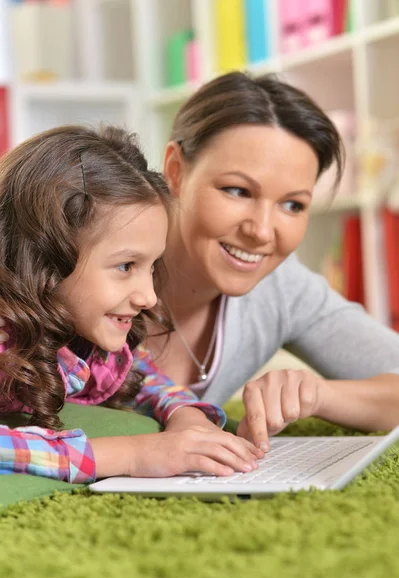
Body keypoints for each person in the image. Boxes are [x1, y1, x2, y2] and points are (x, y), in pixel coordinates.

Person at [138, 71, 399, 450]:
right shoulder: (91, 255)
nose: (261, 231)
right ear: (176, 170)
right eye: (238, 190)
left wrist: (316, 394)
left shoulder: (280, 288)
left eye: (292, 205)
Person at [0, 124, 262, 483]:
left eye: (151, 266)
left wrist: (187, 416)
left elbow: (144, 377)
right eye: (126, 266)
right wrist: (133, 454)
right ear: (45, 258)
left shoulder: (82, 335)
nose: (148, 297)